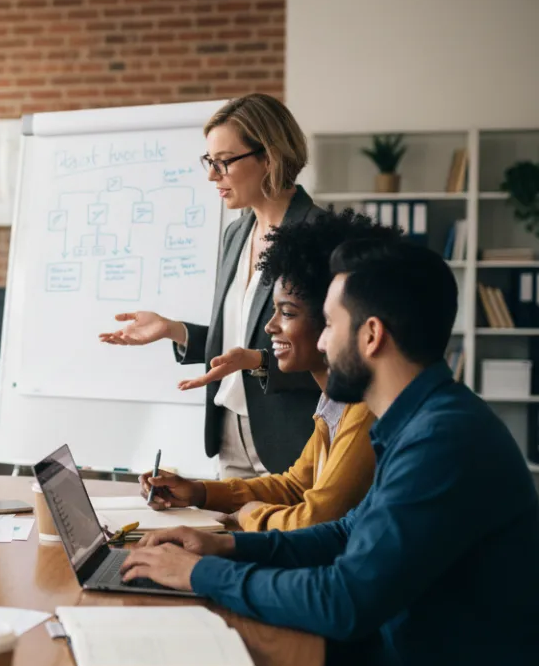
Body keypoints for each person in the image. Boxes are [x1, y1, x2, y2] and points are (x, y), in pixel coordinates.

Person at [119, 236, 539, 666]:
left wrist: (197, 574)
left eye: (331, 326)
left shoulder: (443, 440)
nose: (320, 343)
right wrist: (223, 549)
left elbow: (344, 601)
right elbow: (345, 533)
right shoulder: (422, 422)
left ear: (371, 336)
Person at [100, 94, 325, 477]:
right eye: (209, 161)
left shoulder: (319, 236)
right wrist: (174, 330)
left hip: (293, 440)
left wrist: (260, 363)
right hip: (229, 432)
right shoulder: (237, 234)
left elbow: (334, 356)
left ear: (268, 157)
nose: (211, 175)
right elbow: (238, 341)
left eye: (223, 162)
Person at [141, 211, 391, 531]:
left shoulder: (364, 409)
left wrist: (249, 515)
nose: (271, 326)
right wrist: (199, 492)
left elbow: (317, 517)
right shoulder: (334, 402)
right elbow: (295, 486)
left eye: (286, 313)